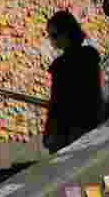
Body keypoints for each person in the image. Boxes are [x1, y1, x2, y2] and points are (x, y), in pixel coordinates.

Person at [42, 10, 104, 153]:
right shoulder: (90, 55)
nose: (52, 40)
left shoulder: (61, 65)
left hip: (70, 127)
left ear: (67, 33)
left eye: (54, 35)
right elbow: (97, 91)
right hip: (88, 121)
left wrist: (49, 131)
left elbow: (56, 101)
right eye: (51, 36)